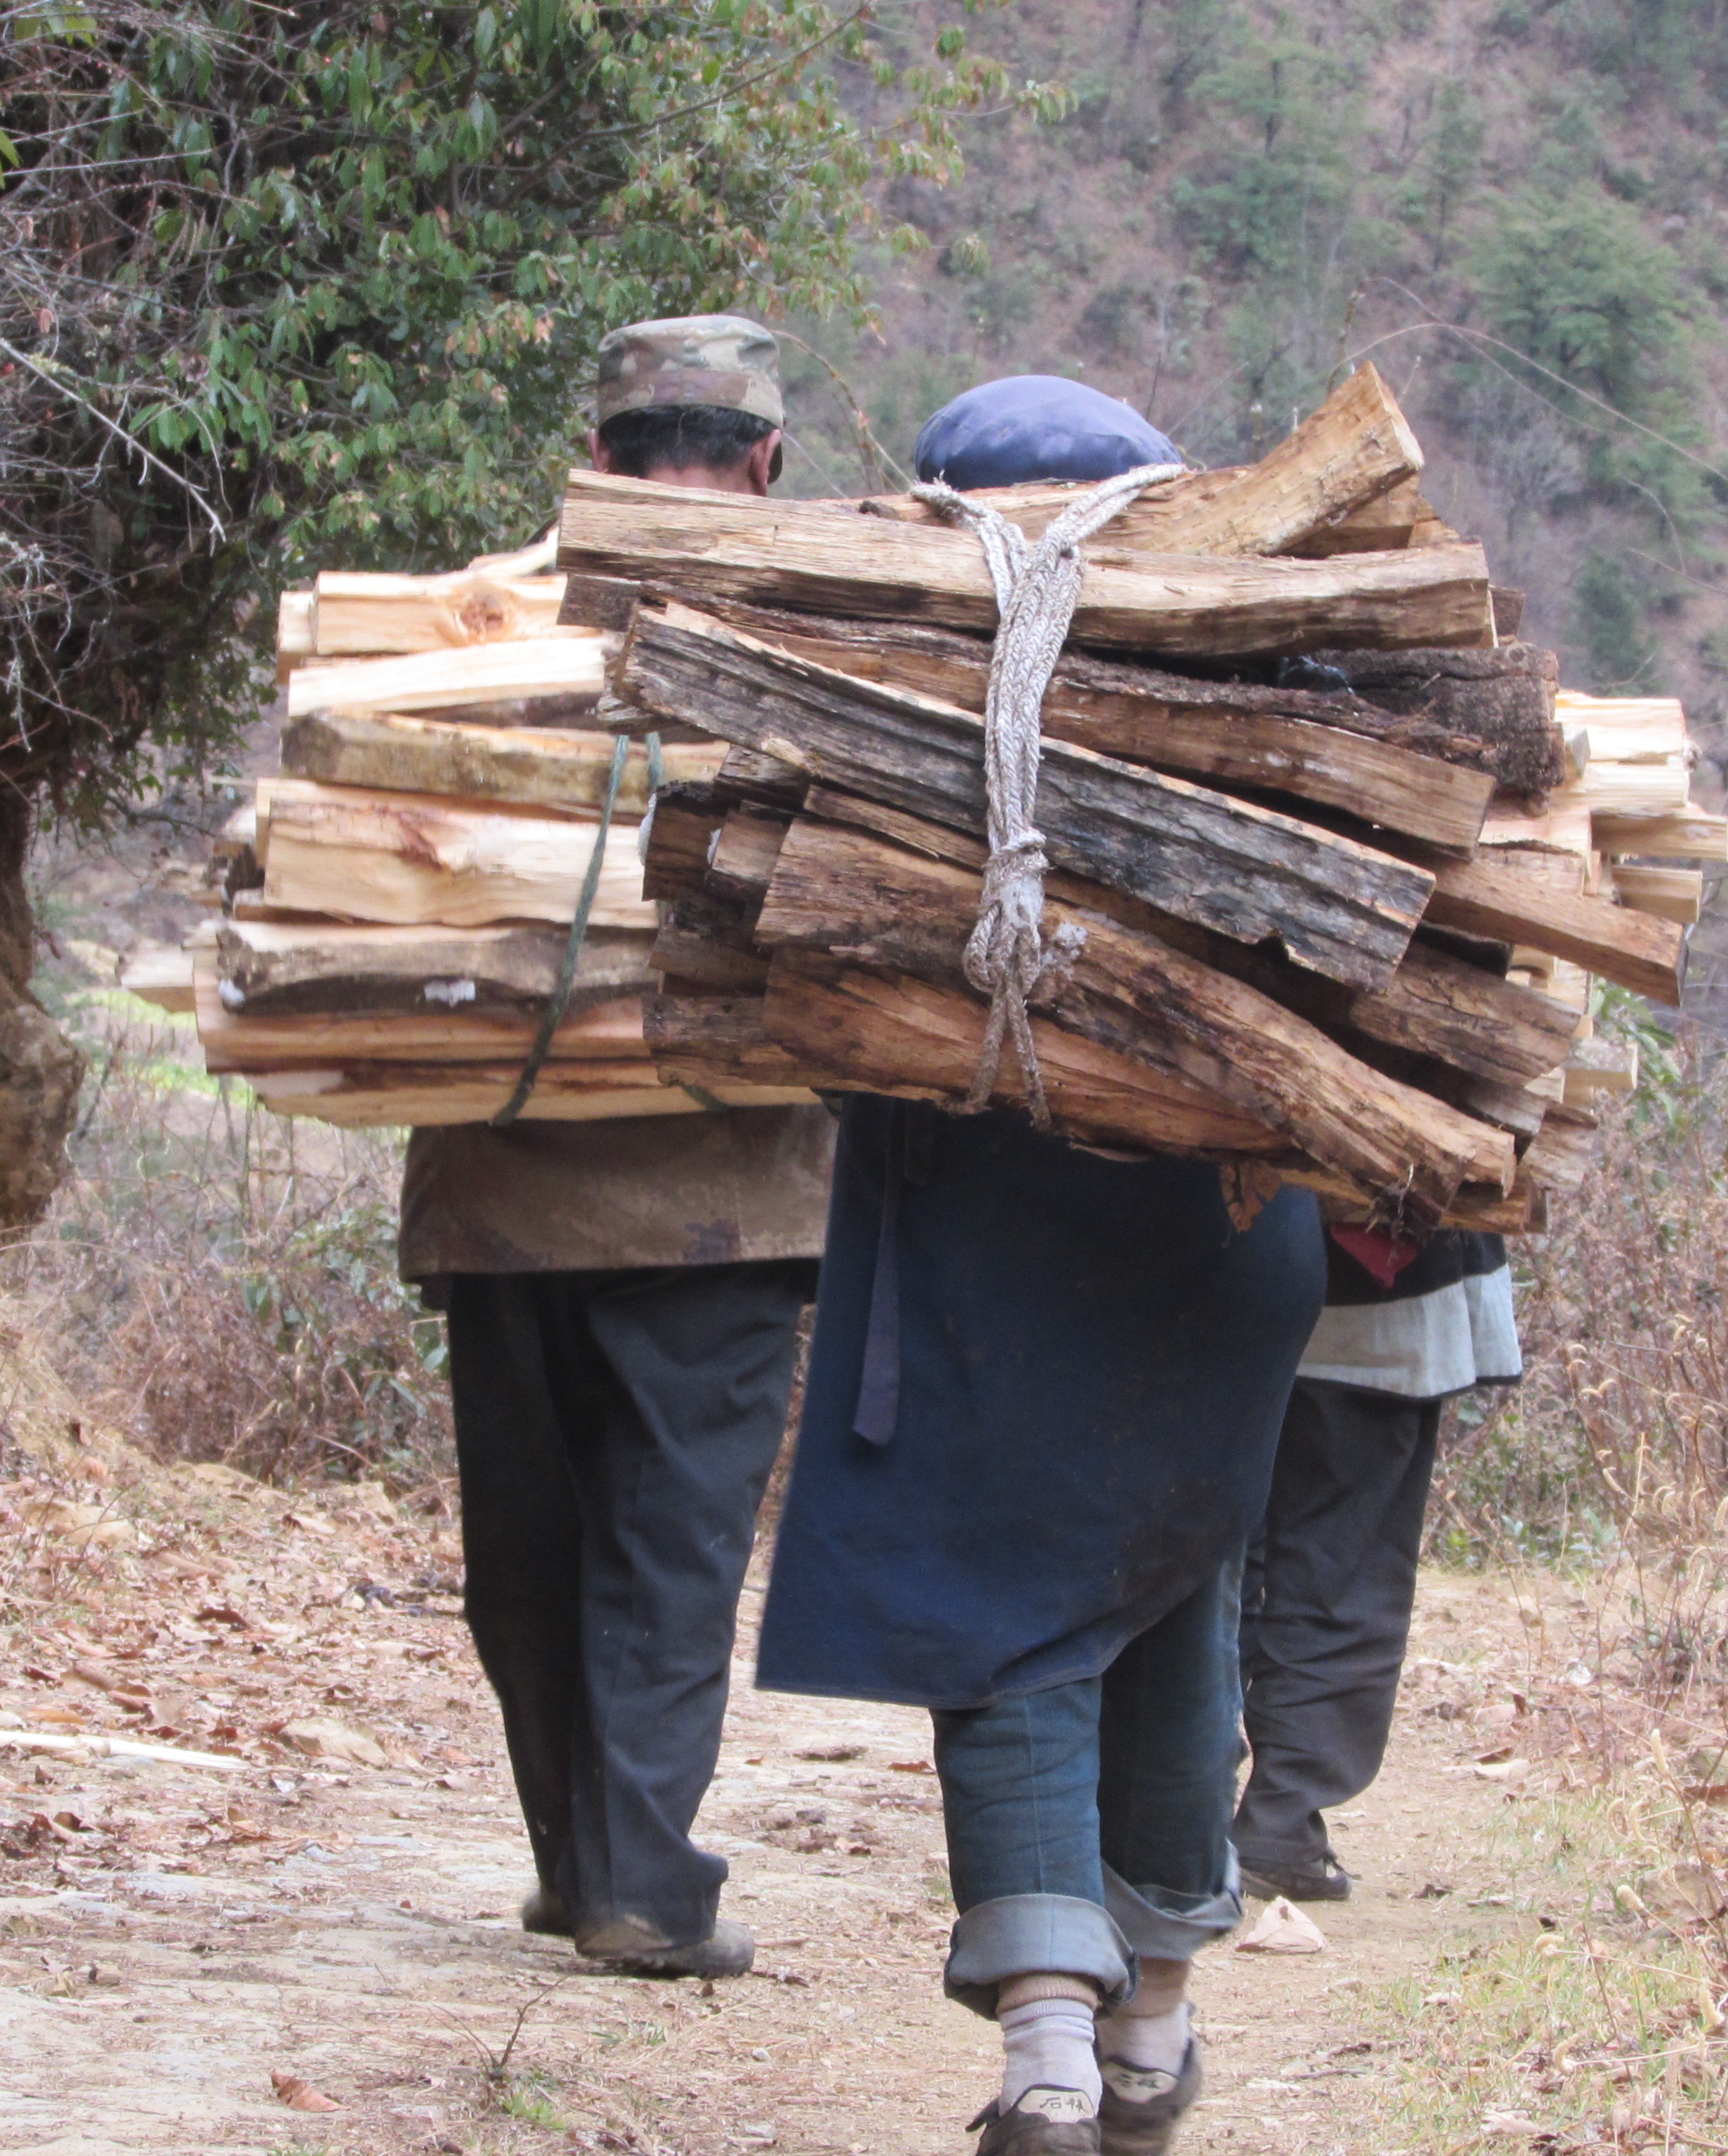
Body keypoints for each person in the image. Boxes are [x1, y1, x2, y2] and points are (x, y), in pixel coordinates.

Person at [754, 376, 1330, 2155]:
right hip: (1216, 1242)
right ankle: (1145, 2024)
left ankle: (1050, 2057)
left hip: (982, 1226)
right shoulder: (1268, 691)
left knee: (1003, 1598)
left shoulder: (872, 694)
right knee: (1157, 1588)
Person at [397, 315, 830, 1982]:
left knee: (529, 1540)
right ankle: (637, 1877)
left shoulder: (469, 626)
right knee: (668, 1548)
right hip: (719, 1200)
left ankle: (577, 1863)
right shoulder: (844, 636)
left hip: (501, 1181)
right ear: (766, 463)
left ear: (594, 460)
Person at [1235, 1230, 1522, 1903]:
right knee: (1345, 1569)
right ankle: (1277, 1822)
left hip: (1214, 1277)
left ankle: (1186, 1811)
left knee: (1206, 1554)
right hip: (1380, 1300)